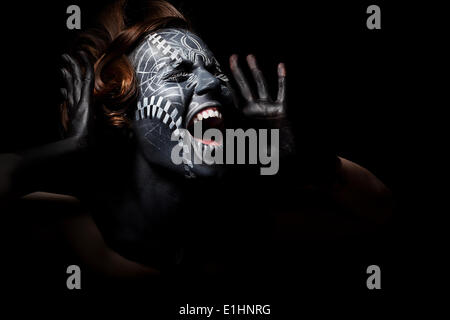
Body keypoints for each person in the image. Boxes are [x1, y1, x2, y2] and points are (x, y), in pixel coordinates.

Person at [0, 0, 392, 277]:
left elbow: (384, 213)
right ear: (124, 113)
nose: (209, 83)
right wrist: (70, 152)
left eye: (213, 71)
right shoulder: (74, 232)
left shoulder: (247, 233)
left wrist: (297, 160)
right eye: (177, 74)